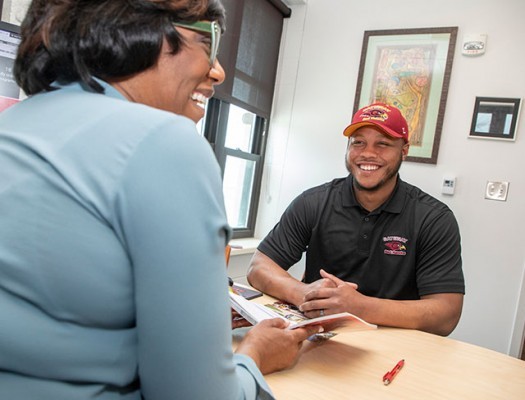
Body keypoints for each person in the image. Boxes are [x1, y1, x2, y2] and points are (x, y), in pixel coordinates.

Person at [0, 1, 320, 399]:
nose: (218, 71)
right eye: (208, 40)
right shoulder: (164, 143)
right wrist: (254, 356)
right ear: (137, 30)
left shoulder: (12, 124)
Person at [247, 102, 465, 336]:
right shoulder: (313, 202)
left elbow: (446, 314)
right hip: (319, 338)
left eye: (383, 144)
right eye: (358, 142)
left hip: (396, 348)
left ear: (404, 150)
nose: (368, 153)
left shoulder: (433, 218)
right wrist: (304, 293)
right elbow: (258, 267)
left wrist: (359, 306)